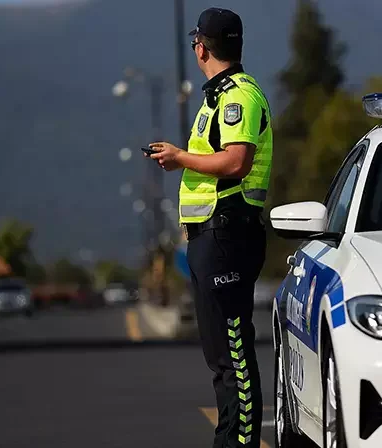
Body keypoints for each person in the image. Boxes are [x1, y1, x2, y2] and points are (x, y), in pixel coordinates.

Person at [147, 7, 272, 448]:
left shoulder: (239, 95)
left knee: (234, 355)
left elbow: (237, 162)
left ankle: (237, 444)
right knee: (220, 357)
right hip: (210, 236)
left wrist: (180, 158)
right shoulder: (216, 98)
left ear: (201, 47)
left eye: (195, 41)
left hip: (228, 235)